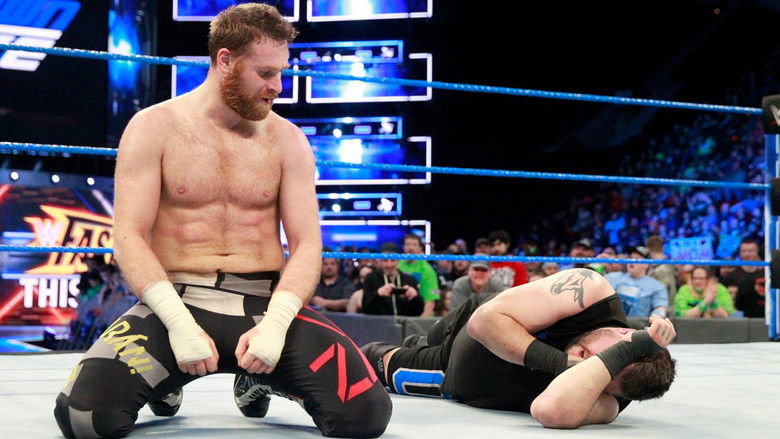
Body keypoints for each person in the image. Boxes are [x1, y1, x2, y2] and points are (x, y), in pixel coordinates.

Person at [53, 5, 391, 439]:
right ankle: (166, 378)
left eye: (281, 72)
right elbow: (130, 237)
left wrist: (276, 324)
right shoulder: (153, 127)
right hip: (176, 301)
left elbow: (307, 244)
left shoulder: (288, 140)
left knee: (365, 416)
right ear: (225, 60)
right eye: (266, 73)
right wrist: (177, 323)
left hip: (264, 305)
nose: (277, 87)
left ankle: (258, 378)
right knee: (83, 419)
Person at [362, 268, 677, 428]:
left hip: (451, 372)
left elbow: (549, 411)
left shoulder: (612, 399)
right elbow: (482, 323)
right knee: (431, 335)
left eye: (602, 368)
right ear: (624, 331)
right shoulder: (591, 291)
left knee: (370, 363)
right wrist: (566, 364)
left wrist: (610, 360)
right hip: (467, 321)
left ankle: (409, 349)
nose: (589, 363)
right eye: (604, 354)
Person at [604, 246, 669, 318]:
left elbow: (660, 309)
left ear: (646, 264)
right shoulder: (612, 277)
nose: (632, 261)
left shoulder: (657, 286)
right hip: (614, 322)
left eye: (636, 258)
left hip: (639, 324)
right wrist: (600, 265)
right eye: (630, 258)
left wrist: (656, 317)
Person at [361, 243, 424, 316]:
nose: (389, 264)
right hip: (379, 322)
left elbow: (419, 312)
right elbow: (365, 309)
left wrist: (415, 297)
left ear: (398, 260)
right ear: (380, 261)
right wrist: (378, 294)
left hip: (404, 322)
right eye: (385, 260)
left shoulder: (410, 280)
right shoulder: (371, 278)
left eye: (393, 260)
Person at [397, 233, 440, 316]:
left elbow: (430, 300)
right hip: (400, 314)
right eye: (408, 244)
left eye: (414, 244)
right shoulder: (397, 265)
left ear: (420, 248)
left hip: (420, 314)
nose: (411, 247)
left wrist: (421, 321)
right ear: (403, 247)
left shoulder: (427, 270)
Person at [723, 237, 766, 318]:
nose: (747, 254)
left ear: (757, 252)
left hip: (765, 315)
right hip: (740, 316)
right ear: (740, 253)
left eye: (750, 251)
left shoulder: (766, 273)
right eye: (744, 251)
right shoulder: (731, 276)